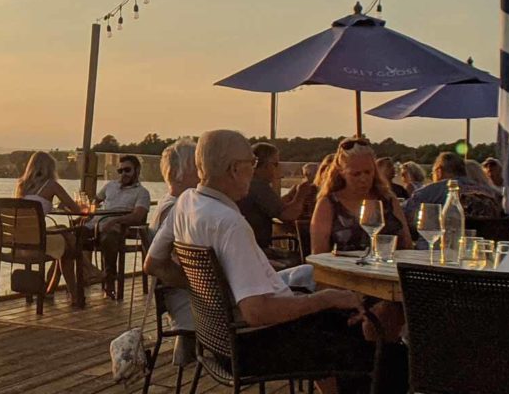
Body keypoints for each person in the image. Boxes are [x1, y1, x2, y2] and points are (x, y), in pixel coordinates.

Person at [148, 130, 405, 393]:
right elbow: (256, 311)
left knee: (355, 326)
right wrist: (326, 299)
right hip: (256, 345)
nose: (254, 170)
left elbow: (153, 264)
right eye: (252, 163)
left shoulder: (187, 203)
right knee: (388, 356)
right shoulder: (229, 223)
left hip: (217, 341)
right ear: (235, 169)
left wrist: (215, 291)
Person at [144, 139, 199, 366]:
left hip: (176, 291)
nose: (203, 172)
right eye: (197, 167)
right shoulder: (177, 209)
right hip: (184, 296)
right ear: (179, 173)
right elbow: (188, 261)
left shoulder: (168, 203)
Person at [310, 139, 411, 255]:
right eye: (355, 174)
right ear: (342, 172)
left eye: (368, 172)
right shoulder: (329, 203)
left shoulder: (388, 200)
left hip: (388, 268)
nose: (363, 179)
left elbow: (407, 244)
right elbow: (318, 254)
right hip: (343, 269)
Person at [14, 151, 89, 305]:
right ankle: (80, 286)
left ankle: (52, 290)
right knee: (69, 244)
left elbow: (33, 206)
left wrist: (53, 205)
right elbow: (76, 209)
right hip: (36, 246)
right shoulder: (51, 185)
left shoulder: (21, 186)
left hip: (19, 244)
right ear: (50, 168)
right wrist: (68, 206)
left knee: (64, 233)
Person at [238, 143, 315, 269]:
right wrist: (301, 194)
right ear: (265, 165)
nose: (278, 168)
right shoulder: (258, 186)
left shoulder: (250, 183)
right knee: (304, 260)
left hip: (249, 248)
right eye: (276, 164)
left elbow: (275, 206)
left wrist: (291, 194)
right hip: (258, 251)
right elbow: (288, 215)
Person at [91, 154, 151, 298]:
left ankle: (109, 279)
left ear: (137, 170)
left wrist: (115, 221)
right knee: (72, 234)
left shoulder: (142, 193)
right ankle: (86, 276)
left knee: (109, 237)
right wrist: (91, 209)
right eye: (121, 171)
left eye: (127, 170)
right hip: (97, 223)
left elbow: (138, 216)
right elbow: (94, 202)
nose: (123, 174)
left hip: (120, 227)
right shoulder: (110, 186)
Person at [403, 151, 502, 230]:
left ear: (439, 172)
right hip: (480, 249)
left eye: (433, 172)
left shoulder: (432, 191)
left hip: (436, 249)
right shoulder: (490, 192)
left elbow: (404, 216)